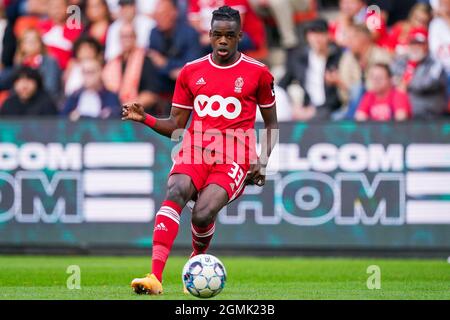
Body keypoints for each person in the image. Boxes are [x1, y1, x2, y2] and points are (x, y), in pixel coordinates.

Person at [122, 6, 278, 295]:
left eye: (229, 36)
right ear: (208, 35)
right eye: (217, 35)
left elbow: (271, 123)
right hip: (195, 149)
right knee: (176, 189)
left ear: (239, 36)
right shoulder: (191, 71)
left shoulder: (258, 73)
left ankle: (196, 258)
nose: (222, 41)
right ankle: (155, 276)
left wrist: (263, 161)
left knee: (203, 214)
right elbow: (176, 124)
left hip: (236, 155)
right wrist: (146, 118)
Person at [280, 18, 343, 121]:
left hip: (331, 109)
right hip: (306, 107)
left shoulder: (337, 56)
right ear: (307, 37)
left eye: (321, 33)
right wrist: (293, 106)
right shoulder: (299, 59)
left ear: (328, 35)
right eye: (313, 34)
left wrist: (338, 81)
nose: (317, 38)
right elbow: (282, 85)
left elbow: (339, 96)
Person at [148, 0, 202, 96]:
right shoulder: (154, 33)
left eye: (163, 14)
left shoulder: (189, 33)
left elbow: (192, 65)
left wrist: (165, 63)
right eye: (156, 16)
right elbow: (153, 64)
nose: (158, 19)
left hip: (187, 87)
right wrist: (170, 71)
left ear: (174, 13)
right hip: (163, 85)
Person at [391, 28, 448, 118]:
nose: (415, 47)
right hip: (405, 114)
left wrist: (405, 83)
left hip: (430, 115)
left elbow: (426, 84)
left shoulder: (435, 62)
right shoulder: (401, 60)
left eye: (419, 44)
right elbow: (391, 78)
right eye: (412, 43)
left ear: (427, 45)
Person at [103, 23, 160, 110]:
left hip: (139, 113)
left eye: (129, 36)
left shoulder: (145, 60)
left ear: (135, 37)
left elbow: (151, 94)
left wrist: (129, 107)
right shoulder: (113, 63)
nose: (126, 39)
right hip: (117, 112)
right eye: (123, 36)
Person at [38, 0, 83, 70]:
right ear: (48, 9)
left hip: (64, 69)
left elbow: (78, 52)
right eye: (53, 7)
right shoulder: (41, 26)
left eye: (60, 6)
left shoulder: (75, 27)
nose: (57, 9)